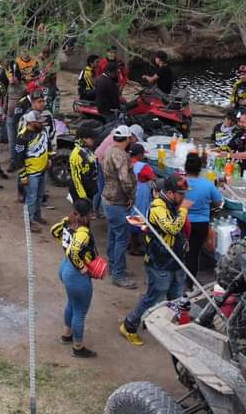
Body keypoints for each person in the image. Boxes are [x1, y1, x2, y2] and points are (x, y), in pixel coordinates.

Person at [120, 176, 190, 347]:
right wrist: (184, 210)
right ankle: (129, 325)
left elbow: (177, 232)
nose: (184, 198)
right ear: (171, 193)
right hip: (160, 263)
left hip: (175, 261)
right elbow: (172, 228)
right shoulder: (157, 207)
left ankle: (174, 329)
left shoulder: (173, 205)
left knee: (177, 297)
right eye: (181, 194)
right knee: (153, 297)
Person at [51, 198, 99, 358]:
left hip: (65, 268)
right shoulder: (83, 231)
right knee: (80, 311)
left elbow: (54, 230)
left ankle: (67, 335)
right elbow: (73, 252)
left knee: (72, 302)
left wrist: (64, 244)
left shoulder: (67, 221)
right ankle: (78, 348)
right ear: (87, 214)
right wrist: (82, 267)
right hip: (75, 274)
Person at [101, 125, 138, 289]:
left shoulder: (109, 149)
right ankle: (118, 274)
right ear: (127, 138)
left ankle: (114, 266)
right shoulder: (120, 155)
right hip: (117, 201)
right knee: (122, 238)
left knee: (113, 235)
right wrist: (131, 195)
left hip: (108, 198)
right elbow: (125, 179)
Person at [181, 153, 222, 282]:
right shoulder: (208, 185)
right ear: (200, 168)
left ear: (185, 168)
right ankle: (190, 281)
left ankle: (178, 278)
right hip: (201, 224)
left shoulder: (180, 183)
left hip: (182, 222)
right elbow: (218, 202)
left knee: (180, 249)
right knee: (194, 252)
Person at [14, 110, 50, 231]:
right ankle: (28, 222)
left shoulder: (43, 131)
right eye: (39, 122)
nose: (42, 124)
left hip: (43, 169)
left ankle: (37, 216)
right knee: (31, 198)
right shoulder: (22, 136)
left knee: (40, 196)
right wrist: (23, 176)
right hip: (31, 173)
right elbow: (18, 159)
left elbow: (47, 145)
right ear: (31, 122)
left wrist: (49, 158)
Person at [69, 124, 100, 209]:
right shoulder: (76, 154)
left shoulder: (87, 150)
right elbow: (76, 178)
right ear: (84, 139)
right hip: (80, 191)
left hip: (89, 187)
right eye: (91, 138)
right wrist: (83, 197)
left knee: (87, 215)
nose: (93, 140)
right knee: (82, 216)